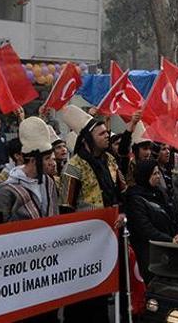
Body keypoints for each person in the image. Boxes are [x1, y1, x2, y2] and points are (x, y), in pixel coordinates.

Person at [59, 106, 125, 323]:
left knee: (105, 290)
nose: (107, 135)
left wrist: (123, 214)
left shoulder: (111, 161)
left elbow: (123, 193)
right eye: (102, 133)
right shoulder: (73, 167)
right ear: (88, 138)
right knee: (82, 296)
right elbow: (66, 209)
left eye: (107, 132)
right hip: (84, 242)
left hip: (110, 236)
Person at [0, 117, 60, 224]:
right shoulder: (5, 191)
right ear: (33, 160)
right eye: (47, 158)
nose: (52, 163)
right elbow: (0, 229)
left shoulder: (48, 182)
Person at [126, 159, 178, 283]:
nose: (158, 177)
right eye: (154, 174)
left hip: (170, 247)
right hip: (151, 253)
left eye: (158, 173)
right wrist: (169, 240)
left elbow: (176, 212)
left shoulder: (160, 192)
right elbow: (145, 228)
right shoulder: (135, 199)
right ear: (144, 175)